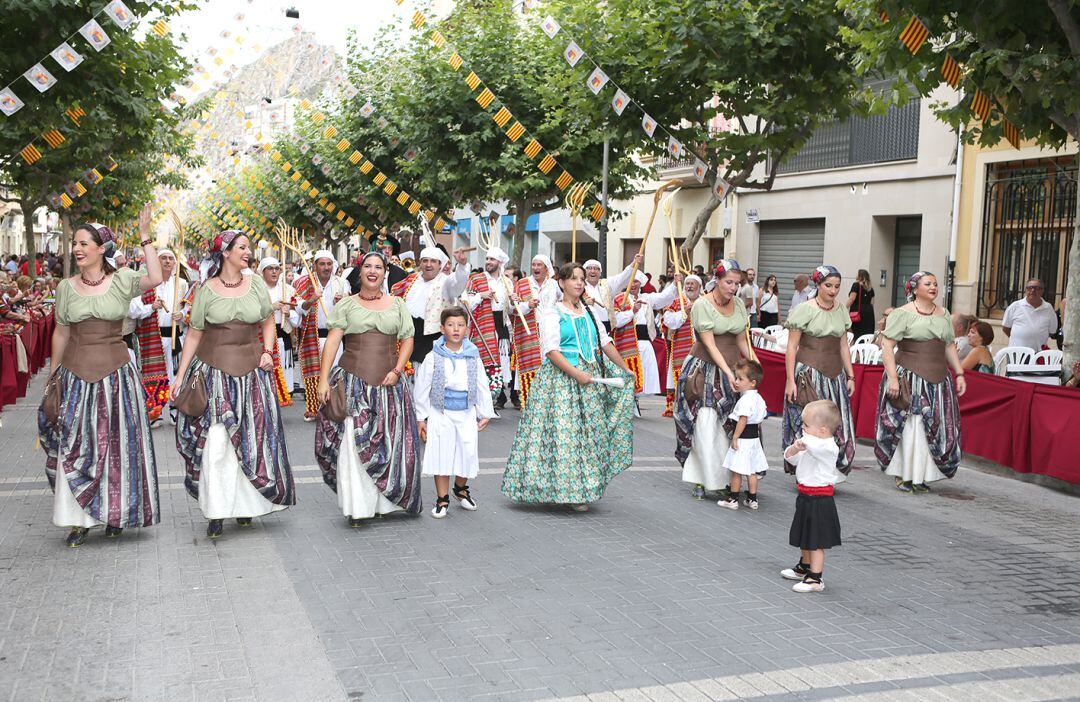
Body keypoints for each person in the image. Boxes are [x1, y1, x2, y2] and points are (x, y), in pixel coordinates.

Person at [38, 209, 163, 547]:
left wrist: (145, 233)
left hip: (116, 374)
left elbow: (155, 277)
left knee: (117, 446)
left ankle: (116, 514)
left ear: (100, 248)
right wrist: (53, 377)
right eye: (74, 243)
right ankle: (77, 520)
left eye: (83, 243)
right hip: (76, 375)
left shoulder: (122, 279)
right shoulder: (66, 287)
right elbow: (62, 334)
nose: (76, 248)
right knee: (75, 444)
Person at [173, 231, 295, 539]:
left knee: (252, 440)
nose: (248, 252)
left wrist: (268, 352)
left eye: (248, 247)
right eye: (242, 247)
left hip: (252, 372)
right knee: (217, 443)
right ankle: (216, 510)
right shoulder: (206, 289)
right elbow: (195, 334)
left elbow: (268, 321)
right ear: (225, 253)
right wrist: (180, 374)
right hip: (214, 372)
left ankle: (245, 506)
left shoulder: (255, 284)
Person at [502, 262, 635, 511]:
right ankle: (562, 490)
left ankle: (582, 488)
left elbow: (605, 343)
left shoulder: (590, 312)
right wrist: (577, 374)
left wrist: (625, 368)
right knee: (564, 436)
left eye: (582, 279)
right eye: (574, 278)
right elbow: (551, 350)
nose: (579, 283)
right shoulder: (552, 312)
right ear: (561, 283)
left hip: (590, 378)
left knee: (589, 436)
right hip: (561, 380)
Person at [315, 251, 420, 525]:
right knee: (354, 442)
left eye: (378, 267)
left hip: (389, 384)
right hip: (353, 383)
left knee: (389, 442)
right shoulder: (347, 305)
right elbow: (333, 343)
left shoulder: (397, 304)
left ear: (385, 273)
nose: (373, 271)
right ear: (359, 273)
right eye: (368, 267)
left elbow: (407, 340)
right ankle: (358, 506)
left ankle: (383, 502)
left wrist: (397, 370)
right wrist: (323, 379)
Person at [876, 271, 965, 493]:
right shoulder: (902, 313)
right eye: (928, 284)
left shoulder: (944, 314)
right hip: (910, 377)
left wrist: (960, 373)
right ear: (915, 289)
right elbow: (887, 346)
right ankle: (904, 474)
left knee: (932, 426)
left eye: (935, 284)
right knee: (911, 425)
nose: (933, 287)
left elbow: (949, 344)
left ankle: (921, 475)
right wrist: (893, 380)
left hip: (938, 379)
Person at [675, 259, 750, 500]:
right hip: (704, 369)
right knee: (705, 424)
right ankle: (700, 477)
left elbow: (742, 341)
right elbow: (709, 343)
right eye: (729, 282)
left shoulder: (738, 304)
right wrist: (728, 373)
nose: (733, 288)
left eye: (737, 283)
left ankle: (724, 478)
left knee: (727, 427)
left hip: (732, 367)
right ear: (717, 280)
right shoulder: (702, 304)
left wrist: (754, 366)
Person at [414, 306, 496, 519]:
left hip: (466, 412)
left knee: (466, 452)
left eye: (460, 325)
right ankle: (442, 499)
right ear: (442, 328)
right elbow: (422, 386)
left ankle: (460, 489)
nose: (456, 329)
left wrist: (485, 411)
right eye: (451, 325)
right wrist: (420, 417)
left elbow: (481, 384)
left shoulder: (472, 356)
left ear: (467, 329)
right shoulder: (433, 356)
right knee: (441, 453)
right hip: (441, 412)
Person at [782, 265, 856, 474]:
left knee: (835, 421)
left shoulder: (841, 309)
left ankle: (830, 469)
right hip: (810, 373)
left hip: (835, 375)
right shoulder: (804, 309)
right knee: (810, 421)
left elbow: (843, 345)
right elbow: (791, 346)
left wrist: (850, 375)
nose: (833, 290)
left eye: (837, 286)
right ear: (818, 285)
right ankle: (806, 471)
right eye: (828, 285)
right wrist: (790, 380)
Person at [781, 399, 844, 593]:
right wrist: (795, 447)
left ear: (823, 430)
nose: (803, 429)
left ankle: (816, 578)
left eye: (806, 425)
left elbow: (816, 447)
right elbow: (789, 457)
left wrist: (804, 441)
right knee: (804, 535)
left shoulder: (828, 447)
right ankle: (804, 567)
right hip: (805, 496)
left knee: (816, 540)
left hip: (820, 500)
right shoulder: (810, 443)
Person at [390, 245, 470, 365]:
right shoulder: (411, 280)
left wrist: (462, 265)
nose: (428, 265)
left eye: (433, 261)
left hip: (432, 337)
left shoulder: (446, 282)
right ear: (420, 263)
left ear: (440, 265)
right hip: (408, 334)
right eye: (425, 261)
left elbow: (458, 282)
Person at [295, 250, 351, 420]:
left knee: (333, 374)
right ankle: (313, 408)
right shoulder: (303, 283)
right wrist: (312, 299)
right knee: (314, 375)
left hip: (335, 337)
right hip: (312, 336)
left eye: (329, 264)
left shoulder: (342, 283)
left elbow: (350, 309)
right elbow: (299, 308)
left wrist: (343, 303)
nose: (326, 268)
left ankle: (333, 408)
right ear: (315, 266)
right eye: (322, 264)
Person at [612, 271, 678, 398]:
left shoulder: (647, 298)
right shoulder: (620, 299)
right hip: (626, 343)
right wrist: (632, 311)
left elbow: (664, 297)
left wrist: (675, 283)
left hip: (644, 342)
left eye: (636, 281)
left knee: (644, 374)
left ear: (641, 283)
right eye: (631, 281)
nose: (633, 284)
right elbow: (616, 321)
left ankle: (636, 399)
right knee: (627, 373)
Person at [462, 246, 513, 406]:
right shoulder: (476, 279)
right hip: (482, 327)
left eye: (492, 259)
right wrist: (480, 296)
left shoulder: (507, 281)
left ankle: (491, 402)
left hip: (501, 328)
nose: (488, 262)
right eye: (487, 259)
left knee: (498, 367)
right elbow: (465, 303)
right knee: (482, 366)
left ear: (500, 262)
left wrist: (515, 302)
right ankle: (478, 403)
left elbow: (510, 310)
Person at [508, 254, 559, 407]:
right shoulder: (522, 284)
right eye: (533, 265)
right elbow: (512, 309)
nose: (535, 268)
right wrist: (527, 305)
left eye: (539, 265)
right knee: (532, 367)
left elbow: (564, 301)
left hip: (550, 330)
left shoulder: (554, 285)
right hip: (529, 332)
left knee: (549, 365)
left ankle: (547, 401)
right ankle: (530, 401)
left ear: (546, 268)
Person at [718, 359, 768, 510]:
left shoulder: (746, 400)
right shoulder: (759, 398)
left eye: (740, 379)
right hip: (754, 438)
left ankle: (732, 499)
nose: (737, 382)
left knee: (737, 471)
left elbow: (743, 419)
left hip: (743, 438)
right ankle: (752, 499)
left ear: (752, 382)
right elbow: (759, 419)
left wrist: (735, 437)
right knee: (751, 470)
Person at [259, 257, 299, 406]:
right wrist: (271, 307)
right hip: (263, 338)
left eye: (277, 268)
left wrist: (288, 313)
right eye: (270, 268)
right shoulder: (257, 289)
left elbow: (297, 319)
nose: (274, 271)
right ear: (263, 271)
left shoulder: (287, 290)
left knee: (283, 373)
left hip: (283, 335)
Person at [661, 274, 702, 417]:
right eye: (687, 283)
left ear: (699, 287)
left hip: (701, 348)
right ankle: (679, 406)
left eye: (693, 283)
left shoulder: (705, 302)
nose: (689, 286)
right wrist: (684, 312)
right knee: (680, 376)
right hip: (681, 347)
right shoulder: (677, 302)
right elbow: (668, 321)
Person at [151, 250, 188, 383]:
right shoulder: (151, 282)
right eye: (163, 258)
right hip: (155, 336)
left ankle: (174, 400)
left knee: (175, 373)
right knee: (156, 376)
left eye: (171, 258)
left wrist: (182, 314)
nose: (167, 261)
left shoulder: (181, 284)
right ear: (157, 261)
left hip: (174, 336)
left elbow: (189, 308)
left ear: (175, 263)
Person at [582, 257, 638, 333]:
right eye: (589, 268)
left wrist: (634, 263)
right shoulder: (579, 286)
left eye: (596, 269)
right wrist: (584, 304)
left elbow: (621, 278)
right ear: (584, 272)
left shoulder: (606, 284)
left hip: (606, 328)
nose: (593, 271)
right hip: (587, 327)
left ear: (600, 272)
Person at [1002, 278, 1057, 351]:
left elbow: (1052, 331)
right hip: (1017, 353)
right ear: (1025, 290)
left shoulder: (1048, 308)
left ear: (1042, 291)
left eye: (1036, 288)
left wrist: (1035, 336)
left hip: (1038, 354)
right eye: (1030, 288)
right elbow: (1006, 328)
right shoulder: (1015, 306)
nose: (1033, 291)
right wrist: (1020, 338)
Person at [846, 269, 876, 340]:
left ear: (860, 276)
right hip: (869, 313)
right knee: (867, 334)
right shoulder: (870, 288)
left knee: (857, 333)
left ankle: (857, 349)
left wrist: (844, 308)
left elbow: (852, 299)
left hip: (858, 313)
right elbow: (872, 302)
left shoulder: (856, 285)